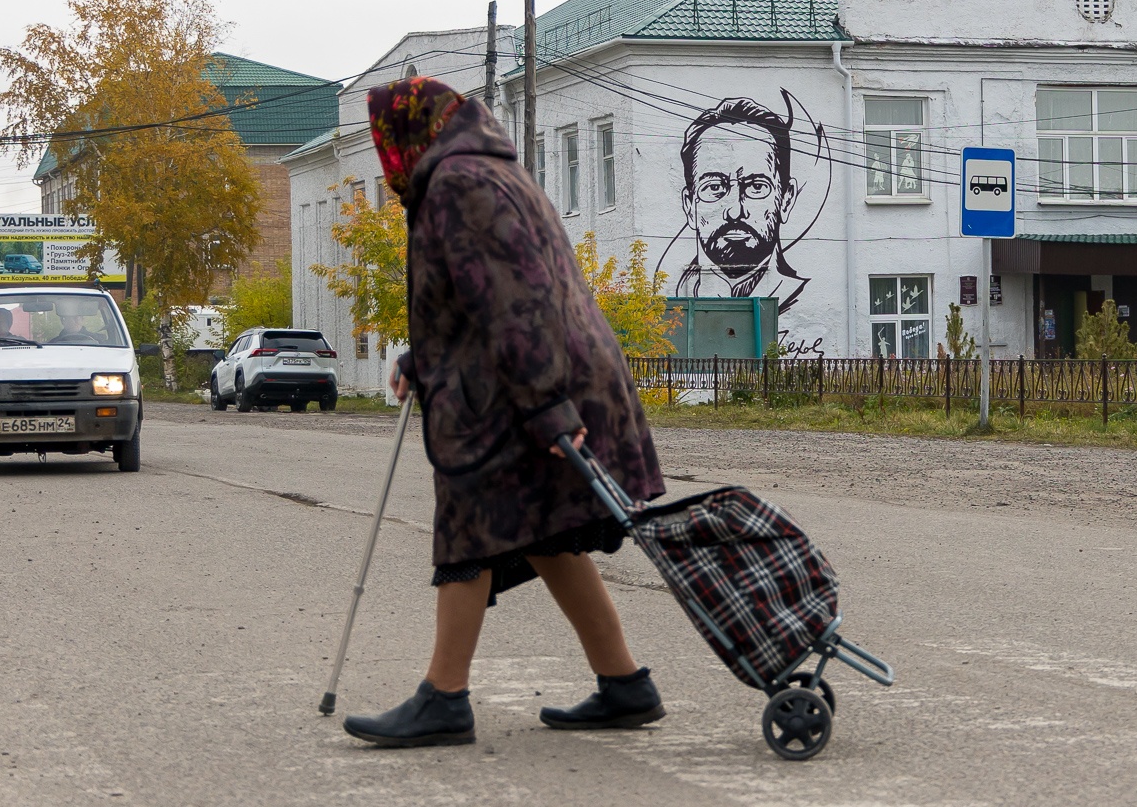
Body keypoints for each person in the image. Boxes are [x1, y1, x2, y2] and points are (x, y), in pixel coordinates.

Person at [341, 76, 668, 749]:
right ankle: (624, 683)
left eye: (386, 140)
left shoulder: (458, 184)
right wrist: (422, 359)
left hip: (523, 389)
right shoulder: (495, 172)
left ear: (410, 133)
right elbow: (473, 297)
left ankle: (444, 697)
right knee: (545, 533)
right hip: (540, 378)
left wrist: (548, 405)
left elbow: (512, 300)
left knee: (467, 531)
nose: (386, 156)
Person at [668, 96, 809, 310]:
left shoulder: (799, 297)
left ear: (786, 199)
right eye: (715, 187)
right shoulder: (670, 301)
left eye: (756, 187)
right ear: (689, 205)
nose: (735, 211)